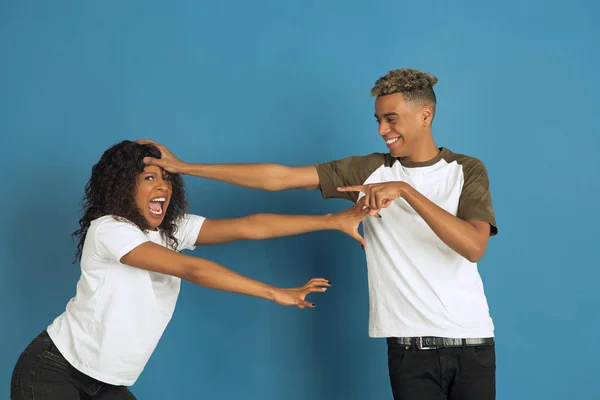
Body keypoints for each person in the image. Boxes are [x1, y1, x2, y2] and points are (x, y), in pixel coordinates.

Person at [139, 68, 500, 399]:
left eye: (391, 119)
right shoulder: (367, 169)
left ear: (425, 115)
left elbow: (472, 246)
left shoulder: (466, 170)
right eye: (377, 120)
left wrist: (405, 191)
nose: (381, 130)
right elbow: (277, 179)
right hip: (408, 351)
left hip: (473, 345)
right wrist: (184, 167)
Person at [10, 140, 371, 400]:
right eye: (150, 178)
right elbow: (191, 269)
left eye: (166, 178)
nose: (162, 186)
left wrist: (332, 219)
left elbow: (251, 225)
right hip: (55, 370)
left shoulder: (170, 229)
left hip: (107, 383)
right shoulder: (110, 229)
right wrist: (274, 292)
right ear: (124, 186)